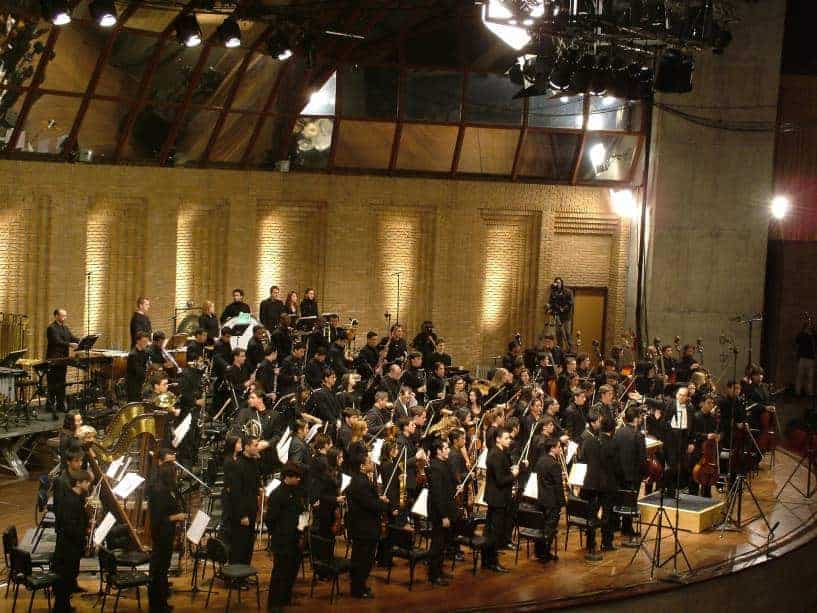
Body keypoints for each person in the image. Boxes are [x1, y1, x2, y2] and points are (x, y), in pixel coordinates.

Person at [346, 454, 390, 599]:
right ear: (362, 466)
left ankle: (360, 586)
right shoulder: (361, 482)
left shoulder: (359, 479)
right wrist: (384, 504)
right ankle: (358, 589)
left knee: (361, 558)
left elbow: (367, 499)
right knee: (364, 559)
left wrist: (378, 498)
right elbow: (370, 504)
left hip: (361, 526)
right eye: (369, 461)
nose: (373, 463)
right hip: (364, 527)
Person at [266, 462, 306, 611]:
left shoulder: (297, 491)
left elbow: (302, 511)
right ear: (287, 477)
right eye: (296, 477)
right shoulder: (277, 494)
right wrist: (278, 533)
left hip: (296, 538)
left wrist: (302, 527)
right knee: (280, 573)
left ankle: (285, 598)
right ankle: (274, 604)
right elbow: (270, 519)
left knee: (292, 571)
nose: (299, 479)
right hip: (282, 540)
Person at [148, 461, 187, 613]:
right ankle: (156, 605)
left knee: (163, 569)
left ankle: (162, 601)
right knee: (158, 570)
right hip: (161, 535)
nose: (177, 476)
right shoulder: (159, 492)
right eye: (175, 473)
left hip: (168, 534)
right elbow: (158, 520)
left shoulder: (169, 490)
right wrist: (176, 517)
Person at [53, 468, 91, 613]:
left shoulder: (76, 497)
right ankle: (61, 608)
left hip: (71, 546)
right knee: (65, 578)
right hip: (67, 548)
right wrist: (84, 534)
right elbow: (70, 528)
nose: (89, 484)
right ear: (78, 483)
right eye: (87, 482)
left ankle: (65, 606)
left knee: (69, 577)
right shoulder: (70, 501)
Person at [580, 409, 616, 560]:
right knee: (604, 514)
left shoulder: (588, 440)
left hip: (589, 483)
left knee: (592, 515)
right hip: (602, 484)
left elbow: (582, 459)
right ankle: (605, 543)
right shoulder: (599, 442)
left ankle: (591, 544)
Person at [483, 428, 518, 572]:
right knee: (494, 532)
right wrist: (514, 474)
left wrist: (512, 469)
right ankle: (492, 562)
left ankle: (487, 560)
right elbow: (500, 480)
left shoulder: (499, 452)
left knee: (491, 531)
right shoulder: (496, 454)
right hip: (498, 498)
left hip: (496, 497)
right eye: (506, 438)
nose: (509, 440)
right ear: (498, 439)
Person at [612, 405, 647, 545]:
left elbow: (614, 453)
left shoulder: (618, 432)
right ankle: (627, 528)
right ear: (636, 419)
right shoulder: (638, 435)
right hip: (633, 475)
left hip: (619, 473)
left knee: (619, 499)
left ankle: (616, 525)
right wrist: (644, 474)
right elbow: (642, 458)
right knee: (631, 502)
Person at [226, 435, 262, 564]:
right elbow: (236, 493)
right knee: (239, 546)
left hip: (251, 509)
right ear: (246, 447)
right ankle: (236, 573)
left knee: (248, 545)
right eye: (255, 445)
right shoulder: (238, 465)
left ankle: (245, 571)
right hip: (242, 513)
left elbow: (255, 484)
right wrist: (242, 515)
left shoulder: (254, 462)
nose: (258, 447)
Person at [427, 439, 457, 585]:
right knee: (437, 544)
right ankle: (434, 575)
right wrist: (444, 516)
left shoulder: (444, 464)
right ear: (438, 451)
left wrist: (456, 487)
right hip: (439, 513)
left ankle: (439, 570)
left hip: (446, 509)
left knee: (442, 543)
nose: (448, 450)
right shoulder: (435, 467)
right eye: (445, 448)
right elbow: (437, 494)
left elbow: (448, 484)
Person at [534, 437, 565, 562]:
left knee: (541, 527)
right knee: (549, 528)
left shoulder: (540, 461)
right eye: (559, 447)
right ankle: (545, 553)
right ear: (552, 448)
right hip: (552, 501)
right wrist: (562, 503)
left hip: (541, 498)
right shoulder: (554, 464)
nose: (560, 449)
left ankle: (539, 551)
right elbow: (558, 486)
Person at [45, 308, 80, 418]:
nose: (65, 318)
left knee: (61, 382)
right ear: (56, 316)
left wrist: (81, 340)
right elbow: (57, 341)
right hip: (53, 359)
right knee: (53, 383)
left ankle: (60, 404)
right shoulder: (51, 328)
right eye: (63, 316)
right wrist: (70, 344)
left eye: (65, 316)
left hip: (63, 359)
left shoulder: (65, 328)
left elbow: (72, 337)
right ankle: (50, 405)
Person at [689, 395, 719, 498]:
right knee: (694, 476)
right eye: (708, 403)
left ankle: (706, 495)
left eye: (712, 403)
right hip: (697, 449)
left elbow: (715, 431)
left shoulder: (713, 418)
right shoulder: (696, 416)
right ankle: (693, 495)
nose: (711, 405)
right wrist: (706, 436)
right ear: (702, 404)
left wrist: (717, 436)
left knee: (708, 473)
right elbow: (692, 433)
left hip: (709, 451)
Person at [547, 277, 573, 350]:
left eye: (559, 283)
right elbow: (551, 302)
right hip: (558, 315)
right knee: (558, 333)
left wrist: (563, 308)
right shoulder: (553, 293)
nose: (557, 284)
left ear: (561, 283)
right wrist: (550, 308)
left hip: (566, 316)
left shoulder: (568, 291)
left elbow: (570, 303)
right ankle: (560, 349)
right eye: (556, 283)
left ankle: (570, 349)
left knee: (567, 332)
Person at [126, 331, 150, 402]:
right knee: (135, 403)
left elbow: (145, 366)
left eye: (147, 342)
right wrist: (148, 375)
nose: (146, 344)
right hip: (133, 384)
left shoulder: (145, 352)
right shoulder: (133, 355)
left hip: (141, 382)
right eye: (144, 341)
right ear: (138, 341)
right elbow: (139, 372)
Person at [796, 321, 816, 397]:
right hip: (802, 358)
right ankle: (798, 392)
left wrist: (812, 334)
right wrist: (804, 333)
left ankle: (809, 393)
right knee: (800, 376)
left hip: (811, 359)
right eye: (807, 327)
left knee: (810, 377)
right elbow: (797, 340)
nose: (808, 328)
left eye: (810, 327)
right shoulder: (802, 335)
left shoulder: (813, 336)